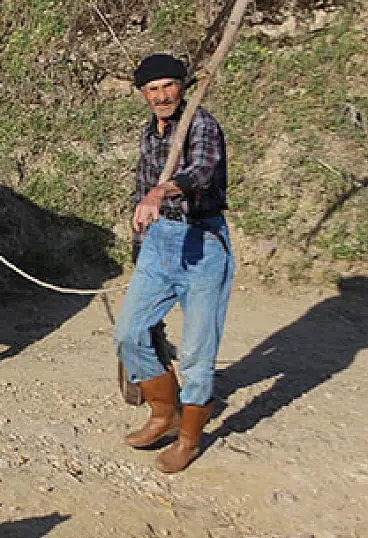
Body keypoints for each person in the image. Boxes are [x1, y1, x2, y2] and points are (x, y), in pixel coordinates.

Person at [114, 53, 235, 473]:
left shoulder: (200, 123)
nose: (162, 96)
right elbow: (140, 186)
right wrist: (139, 238)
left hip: (203, 242)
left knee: (199, 352)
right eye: (153, 89)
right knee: (129, 333)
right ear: (143, 94)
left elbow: (201, 171)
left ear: (181, 87)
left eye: (169, 86)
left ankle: (188, 439)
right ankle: (164, 413)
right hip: (160, 241)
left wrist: (160, 192)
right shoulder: (149, 133)